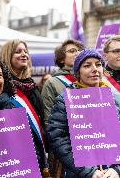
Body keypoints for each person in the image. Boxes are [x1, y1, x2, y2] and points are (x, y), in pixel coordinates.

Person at [47, 49, 120, 178]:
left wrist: (117, 169)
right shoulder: (65, 100)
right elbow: (58, 139)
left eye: (98, 64)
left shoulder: (114, 98)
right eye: (87, 65)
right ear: (78, 73)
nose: (95, 69)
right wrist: (88, 171)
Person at [0, 39, 46, 173]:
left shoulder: (31, 85)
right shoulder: (1, 87)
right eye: (18, 52)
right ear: (7, 56)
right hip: (13, 153)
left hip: (36, 150)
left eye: (26, 51)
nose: (24, 54)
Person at [41, 39, 85, 127]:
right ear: (61, 59)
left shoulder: (90, 79)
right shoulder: (52, 83)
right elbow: (48, 118)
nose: (77, 53)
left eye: (80, 51)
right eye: (72, 51)